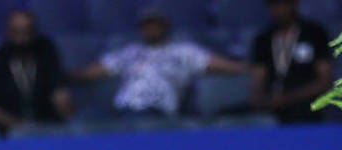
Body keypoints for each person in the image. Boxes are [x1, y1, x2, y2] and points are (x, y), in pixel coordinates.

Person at [72, 7, 247, 117]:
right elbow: (95, 71)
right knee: (87, 117)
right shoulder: (130, 52)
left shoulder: (182, 51)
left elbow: (216, 63)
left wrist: (249, 68)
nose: (150, 28)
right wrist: (61, 76)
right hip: (123, 109)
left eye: (155, 24)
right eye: (146, 25)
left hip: (156, 111)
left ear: (165, 26)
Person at [0, 7, 73, 134]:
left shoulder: (46, 50)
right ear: (8, 33)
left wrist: (62, 98)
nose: (22, 39)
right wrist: (19, 126)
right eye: (17, 32)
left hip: (44, 123)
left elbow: (59, 88)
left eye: (27, 32)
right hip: (9, 127)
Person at [248, 0, 333, 124]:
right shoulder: (263, 39)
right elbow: (258, 81)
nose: (279, 10)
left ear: (294, 4)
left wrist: (287, 98)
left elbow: (325, 81)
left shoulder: (314, 34)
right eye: (274, 5)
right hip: (272, 111)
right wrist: (262, 101)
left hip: (308, 107)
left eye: (283, 4)